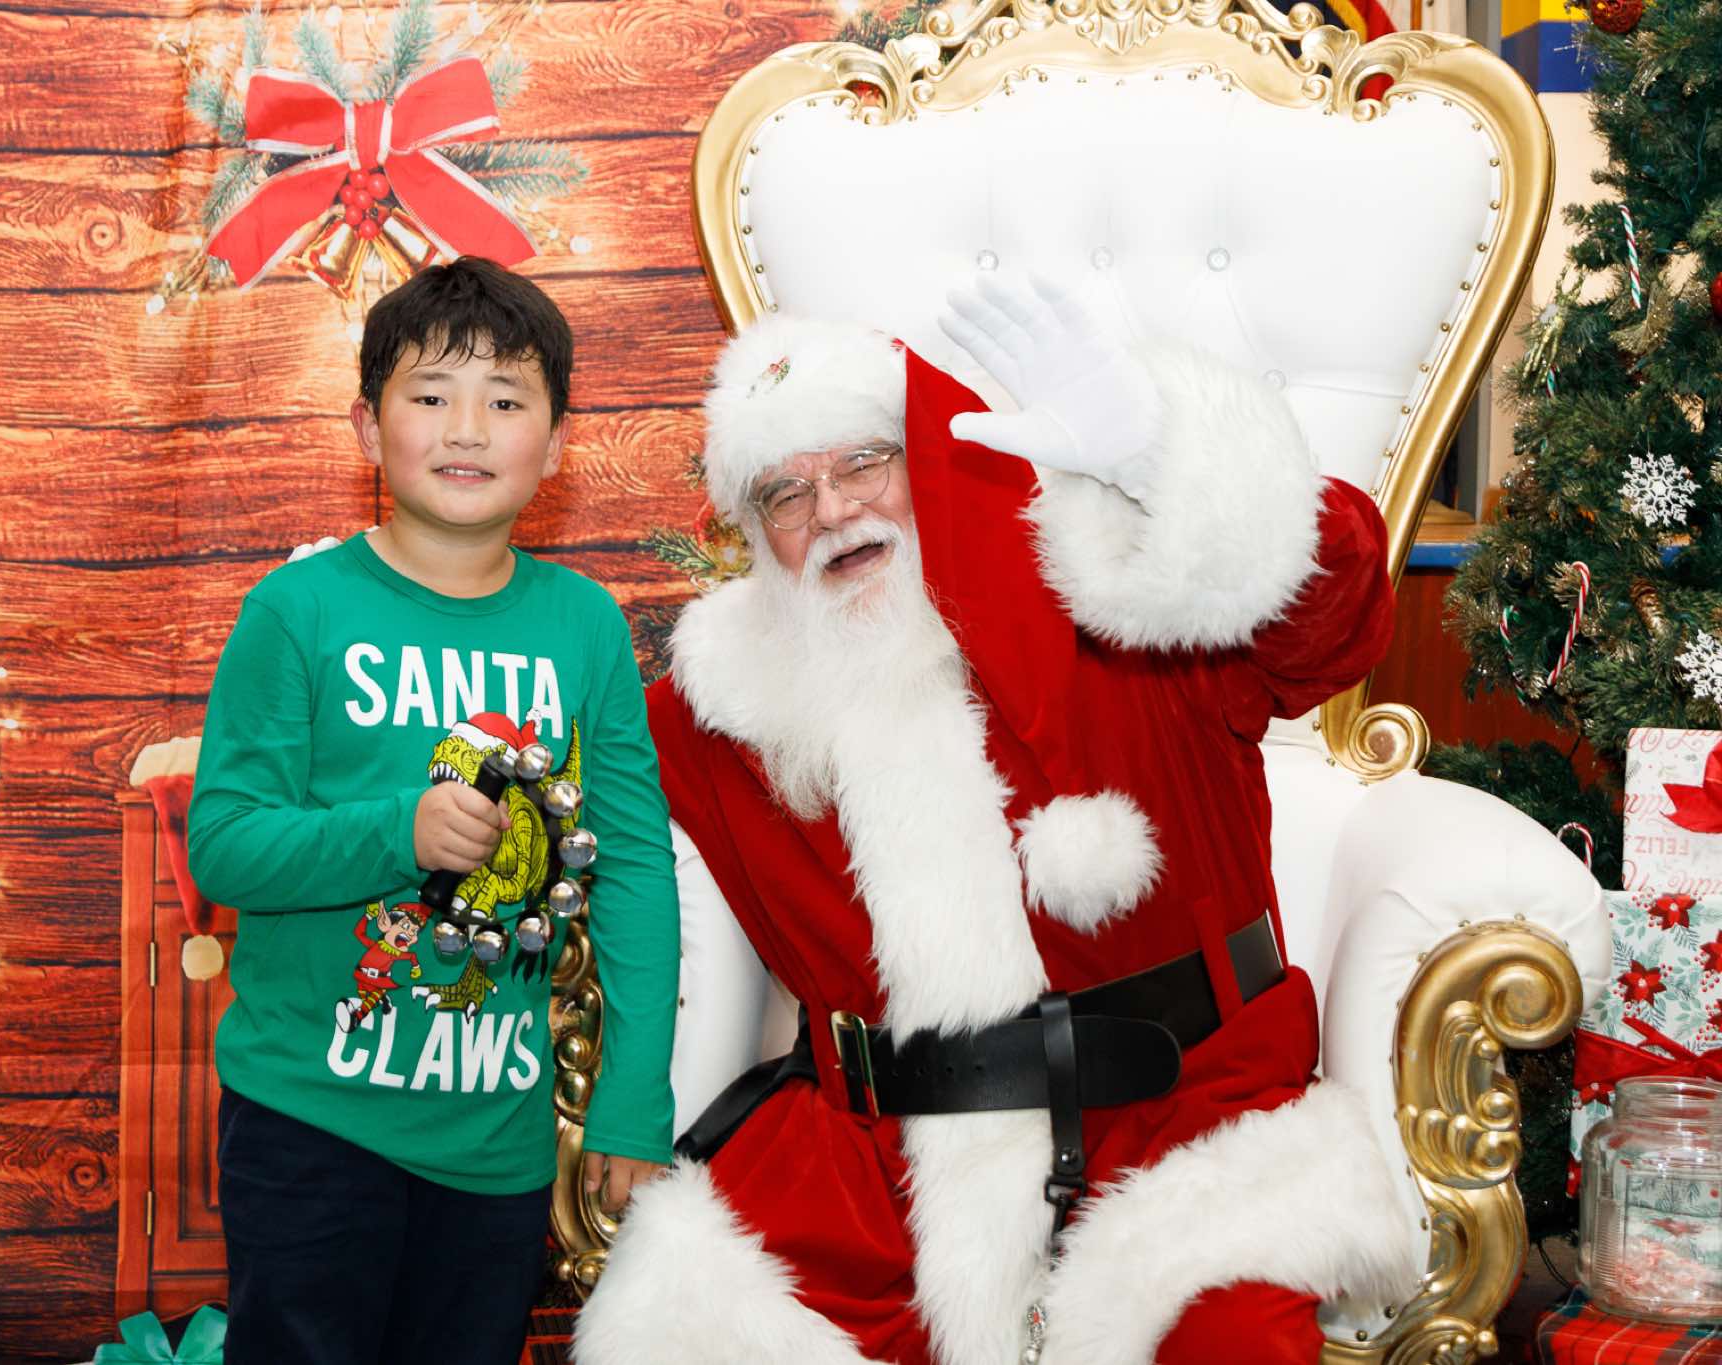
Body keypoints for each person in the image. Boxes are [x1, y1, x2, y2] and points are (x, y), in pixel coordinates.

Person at [574, 274, 1424, 1365]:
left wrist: (1161, 465)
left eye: (862, 464)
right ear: (752, 534)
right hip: (877, 1175)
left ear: (926, 460)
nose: (831, 512)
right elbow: (558, 787)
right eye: (785, 494)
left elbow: (1340, 623)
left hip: (1187, 1139)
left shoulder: (1120, 595)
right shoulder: (721, 711)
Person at [187, 257, 679, 1365]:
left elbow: (638, 868)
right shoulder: (297, 610)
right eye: (430, 395)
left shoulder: (584, 627)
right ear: (367, 427)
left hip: (496, 1144)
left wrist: (634, 1100)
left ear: (556, 445)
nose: (466, 429)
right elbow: (223, 845)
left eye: (504, 401)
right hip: (310, 1122)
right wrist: (394, 833)